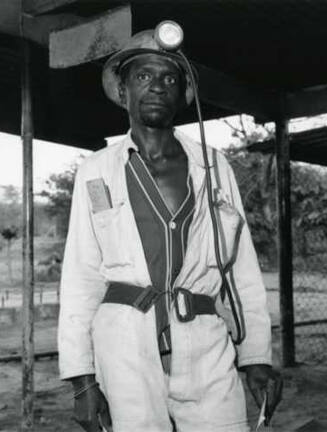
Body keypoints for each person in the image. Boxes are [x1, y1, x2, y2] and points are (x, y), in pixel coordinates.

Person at [58, 26, 283, 432]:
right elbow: (81, 278)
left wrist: (256, 357)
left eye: (169, 78)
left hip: (206, 343)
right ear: (123, 91)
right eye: (143, 76)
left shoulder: (214, 167)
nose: (157, 87)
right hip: (125, 346)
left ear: (183, 95)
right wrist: (81, 381)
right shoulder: (97, 173)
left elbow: (242, 274)